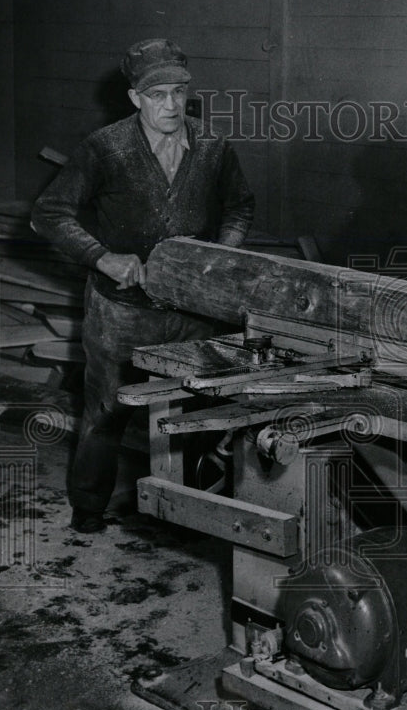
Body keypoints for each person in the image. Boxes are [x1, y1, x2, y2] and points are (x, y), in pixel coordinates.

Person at [32, 39, 255, 534]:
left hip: (192, 309)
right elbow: (49, 214)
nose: (171, 105)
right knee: (107, 410)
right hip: (122, 311)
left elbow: (240, 205)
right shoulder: (105, 148)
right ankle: (88, 508)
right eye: (158, 95)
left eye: (179, 92)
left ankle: (192, 509)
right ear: (136, 98)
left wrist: (223, 251)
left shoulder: (213, 146)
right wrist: (103, 257)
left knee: (198, 408)